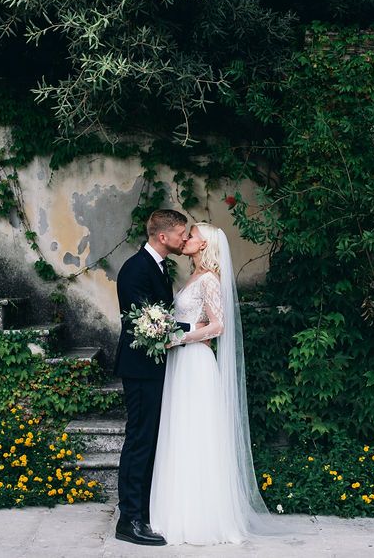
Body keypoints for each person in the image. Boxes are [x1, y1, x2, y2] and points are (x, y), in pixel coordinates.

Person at [149, 222, 273, 544]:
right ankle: (174, 511)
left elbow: (218, 326)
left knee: (197, 434)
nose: (186, 239)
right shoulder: (191, 276)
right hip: (182, 361)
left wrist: (181, 337)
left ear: (204, 246)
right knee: (180, 431)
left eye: (192, 236)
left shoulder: (210, 280)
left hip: (196, 362)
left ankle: (201, 517)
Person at [113, 209, 192, 546]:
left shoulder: (159, 268)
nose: (184, 239)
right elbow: (149, 324)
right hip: (140, 369)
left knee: (150, 439)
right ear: (163, 237)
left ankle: (142, 510)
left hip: (155, 367)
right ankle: (128, 520)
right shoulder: (135, 270)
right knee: (140, 440)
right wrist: (197, 330)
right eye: (181, 234)